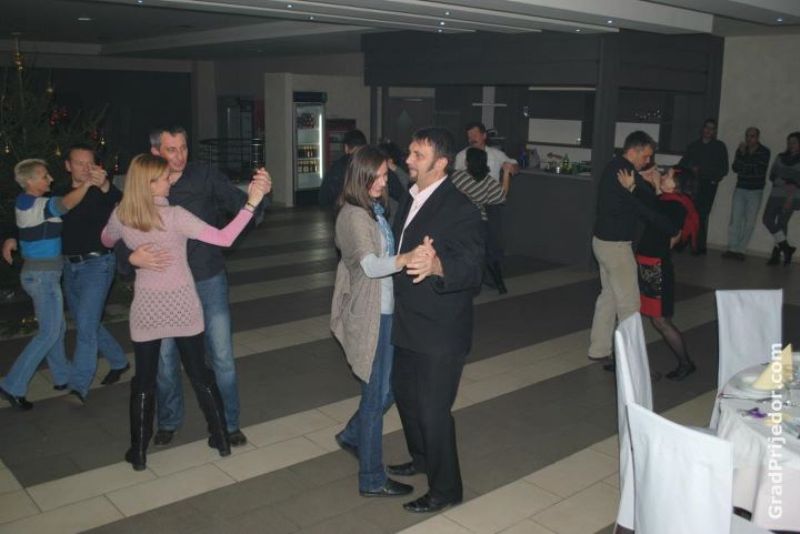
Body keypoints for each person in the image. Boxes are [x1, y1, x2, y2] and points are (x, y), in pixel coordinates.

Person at [101, 154, 270, 471]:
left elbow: (106, 238)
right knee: (201, 374)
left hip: (147, 310)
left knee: (144, 381)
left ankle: (138, 451)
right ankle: (221, 439)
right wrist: (251, 203)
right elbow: (224, 237)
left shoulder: (122, 213)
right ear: (150, 184)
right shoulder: (176, 216)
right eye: (164, 178)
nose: (170, 181)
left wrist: (133, 254)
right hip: (183, 306)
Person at [389, 127, 484, 513]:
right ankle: (423, 458)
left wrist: (438, 265)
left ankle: (446, 489)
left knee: (432, 410)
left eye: (418, 155)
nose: (408, 160)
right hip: (408, 321)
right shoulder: (410, 196)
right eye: (410, 152)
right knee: (405, 396)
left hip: (440, 329)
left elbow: (473, 267)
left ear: (441, 163)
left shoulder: (460, 207)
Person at [331, 145, 429, 498]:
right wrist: (405, 259)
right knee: (375, 398)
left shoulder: (373, 210)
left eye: (386, 175)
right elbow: (371, 266)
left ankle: (352, 434)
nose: (385, 182)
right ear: (362, 176)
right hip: (370, 315)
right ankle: (371, 479)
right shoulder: (354, 216)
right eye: (380, 176)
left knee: (386, 390)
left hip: (385, 311)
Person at [0, 159, 101, 410]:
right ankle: (12, 384)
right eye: (44, 176)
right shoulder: (35, 203)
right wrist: (88, 183)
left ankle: (61, 376)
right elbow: (65, 204)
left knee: (56, 328)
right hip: (42, 277)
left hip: (42, 275)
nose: (51, 179)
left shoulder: (29, 202)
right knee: (49, 332)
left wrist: (11, 237)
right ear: (30, 181)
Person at [588, 131, 677, 366]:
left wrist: (644, 181)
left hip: (602, 242)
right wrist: (655, 187)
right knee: (629, 304)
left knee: (608, 297)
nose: (648, 161)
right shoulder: (624, 172)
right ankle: (630, 361)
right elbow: (646, 205)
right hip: (616, 246)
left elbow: (637, 195)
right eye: (645, 156)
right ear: (634, 151)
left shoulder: (616, 166)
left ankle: (599, 349)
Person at [626, 168, 698, 380]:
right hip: (648, 263)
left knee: (660, 321)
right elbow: (655, 208)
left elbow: (659, 218)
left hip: (657, 267)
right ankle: (622, 357)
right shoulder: (669, 201)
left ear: (677, 185)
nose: (662, 176)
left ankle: (686, 363)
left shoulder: (678, 204)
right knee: (636, 312)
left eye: (667, 176)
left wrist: (636, 189)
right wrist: (654, 187)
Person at [450, 147, 507, 293]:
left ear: (467, 162)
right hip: (481, 222)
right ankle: (499, 284)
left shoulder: (457, 177)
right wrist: (506, 175)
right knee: (488, 255)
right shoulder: (489, 182)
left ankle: (468, 284)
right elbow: (501, 197)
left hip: (459, 222)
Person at [678, 118, 729, 255]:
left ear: (715, 131)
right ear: (702, 129)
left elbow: (724, 169)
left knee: (701, 215)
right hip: (692, 185)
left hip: (708, 185)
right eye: (707, 127)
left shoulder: (719, 147)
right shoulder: (693, 146)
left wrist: (713, 178)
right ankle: (688, 242)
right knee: (689, 213)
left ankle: (698, 245)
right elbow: (683, 164)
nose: (708, 130)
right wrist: (691, 169)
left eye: (712, 128)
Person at [723, 128, 770, 261]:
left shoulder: (764, 151)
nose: (749, 139)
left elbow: (758, 170)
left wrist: (744, 159)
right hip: (741, 188)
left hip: (755, 190)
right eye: (747, 136)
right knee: (735, 220)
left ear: (758, 137)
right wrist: (743, 156)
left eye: (752, 136)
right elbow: (735, 168)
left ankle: (741, 250)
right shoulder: (741, 150)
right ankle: (732, 249)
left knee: (749, 222)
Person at [762, 131, 800, 266]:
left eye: (794, 142)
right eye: (789, 142)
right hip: (776, 194)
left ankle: (776, 255)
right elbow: (772, 176)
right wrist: (787, 182)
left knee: (782, 223)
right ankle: (786, 248)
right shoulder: (780, 157)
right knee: (767, 220)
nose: (791, 145)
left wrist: (789, 184)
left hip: (792, 196)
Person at [454, 122, 518, 192]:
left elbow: (515, 166)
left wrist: (511, 167)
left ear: (484, 136)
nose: (472, 139)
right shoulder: (461, 155)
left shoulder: (496, 154)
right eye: (469, 137)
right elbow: (457, 180)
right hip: (470, 196)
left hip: (493, 195)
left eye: (475, 136)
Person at [319, 129, 368, 208]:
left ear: (346, 147)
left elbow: (324, 197)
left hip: (341, 209)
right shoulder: (371, 164)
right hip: (366, 208)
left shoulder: (337, 166)